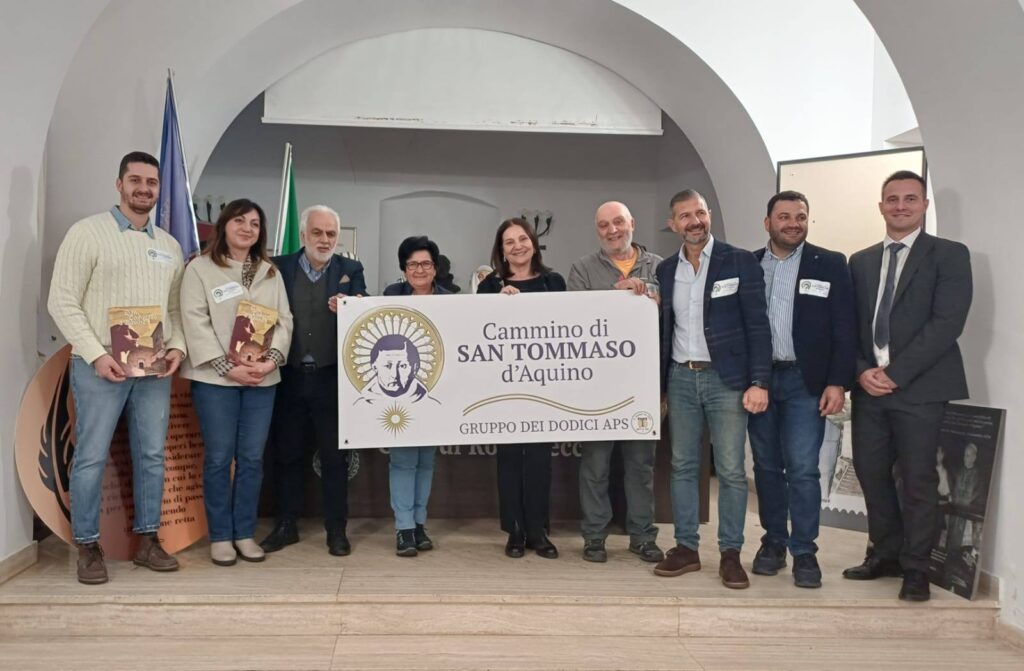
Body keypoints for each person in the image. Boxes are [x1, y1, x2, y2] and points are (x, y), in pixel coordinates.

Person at [47, 151, 186, 584]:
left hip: (152, 370)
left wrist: (177, 347)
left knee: (151, 455)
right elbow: (62, 301)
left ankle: (148, 541)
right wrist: (96, 354)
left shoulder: (169, 245)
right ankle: (87, 546)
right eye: (136, 180)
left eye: (152, 182)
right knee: (89, 456)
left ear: (160, 189)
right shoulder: (87, 233)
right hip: (99, 365)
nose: (144, 189)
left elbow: (176, 308)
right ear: (119, 184)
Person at [843, 170, 972, 602]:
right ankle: (885, 554)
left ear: (924, 206)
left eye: (910, 199)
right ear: (880, 205)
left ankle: (916, 569)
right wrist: (862, 371)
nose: (900, 206)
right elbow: (850, 326)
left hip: (920, 389)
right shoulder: (859, 261)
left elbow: (946, 324)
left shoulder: (949, 255)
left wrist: (895, 374)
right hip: (868, 390)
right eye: (892, 199)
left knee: (918, 480)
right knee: (872, 474)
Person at [653, 189, 771, 589]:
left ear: (709, 216)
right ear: (673, 224)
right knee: (683, 466)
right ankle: (686, 548)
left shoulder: (739, 261)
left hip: (727, 379)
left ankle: (730, 553)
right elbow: (664, 328)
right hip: (680, 377)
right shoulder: (666, 270)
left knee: (733, 471)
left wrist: (759, 381)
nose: (694, 221)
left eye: (699, 213)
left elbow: (758, 325)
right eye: (684, 216)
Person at [747, 191, 856, 588]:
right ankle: (773, 542)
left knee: (804, 470)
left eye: (800, 216)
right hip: (758, 380)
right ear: (768, 223)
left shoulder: (829, 263)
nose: (793, 223)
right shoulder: (748, 264)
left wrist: (838, 382)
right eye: (784, 216)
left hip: (805, 382)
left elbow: (845, 328)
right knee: (765, 468)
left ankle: (805, 551)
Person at [179, 199, 293, 566]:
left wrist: (270, 360)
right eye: (240, 221)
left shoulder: (271, 272)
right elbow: (194, 321)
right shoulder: (200, 269)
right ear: (224, 225)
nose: (247, 228)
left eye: (256, 223)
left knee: (251, 459)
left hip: (262, 379)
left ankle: (244, 533)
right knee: (217, 459)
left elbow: (284, 322)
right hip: (216, 381)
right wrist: (228, 367)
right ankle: (221, 536)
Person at [260, 205, 367, 557]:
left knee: (334, 458)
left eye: (331, 234)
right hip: (286, 376)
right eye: (318, 233)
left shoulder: (350, 269)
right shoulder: (279, 267)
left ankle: (336, 529)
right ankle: (286, 524)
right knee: (287, 454)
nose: (325, 240)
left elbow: (364, 309)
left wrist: (353, 303)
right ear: (303, 235)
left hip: (331, 378)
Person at [567, 201, 664, 564]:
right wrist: (617, 298)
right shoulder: (581, 269)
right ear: (598, 231)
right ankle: (594, 537)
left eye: (618, 222)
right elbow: (577, 319)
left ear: (632, 223)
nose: (612, 230)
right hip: (597, 388)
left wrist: (652, 293)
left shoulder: (659, 266)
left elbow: (673, 315)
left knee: (641, 465)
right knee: (595, 465)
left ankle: (642, 536)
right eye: (604, 225)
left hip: (643, 385)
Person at [477, 218, 565, 559]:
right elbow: (475, 328)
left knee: (541, 460)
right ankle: (514, 530)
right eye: (509, 241)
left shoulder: (553, 281)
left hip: (543, 385)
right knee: (510, 459)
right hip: (503, 387)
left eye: (522, 238)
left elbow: (567, 326)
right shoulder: (489, 285)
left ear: (533, 242)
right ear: (501, 250)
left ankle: (538, 530)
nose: (517, 246)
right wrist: (498, 304)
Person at [380, 236, 450, 556]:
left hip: (435, 393)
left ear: (435, 269)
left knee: (426, 461)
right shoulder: (390, 297)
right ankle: (404, 527)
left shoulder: (452, 301)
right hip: (399, 394)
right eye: (412, 264)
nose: (419, 269)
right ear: (404, 270)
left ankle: (420, 523)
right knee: (404, 460)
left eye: (425, 264)